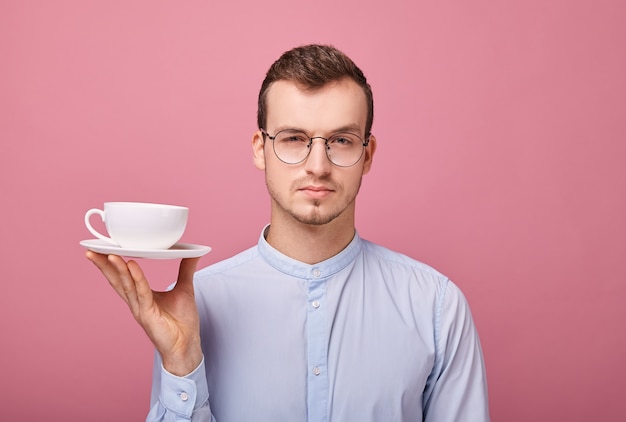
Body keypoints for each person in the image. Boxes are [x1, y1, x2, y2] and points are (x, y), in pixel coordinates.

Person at [87, 44, 490, 421]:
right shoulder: (194, 305)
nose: (318, 165)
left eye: (342, 140)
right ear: (260, 149)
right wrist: (181, 361)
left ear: (366, 155)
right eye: (294, 139)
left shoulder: (437, 309)